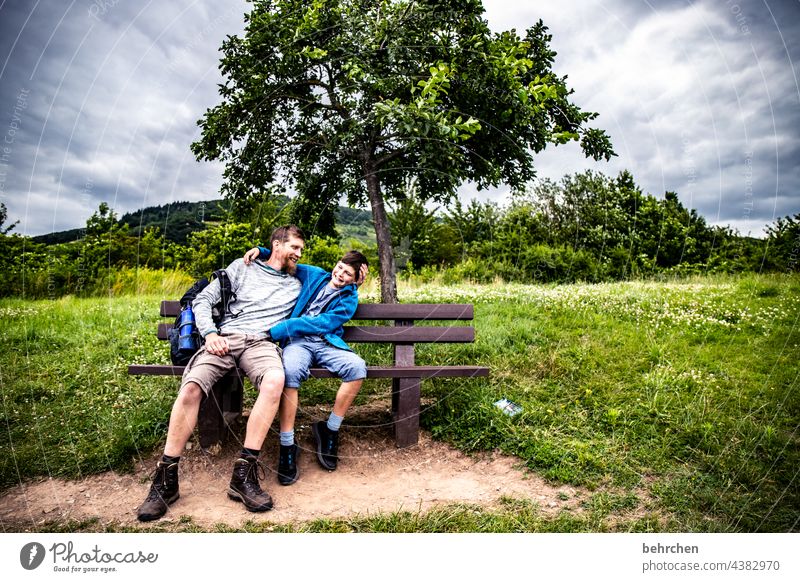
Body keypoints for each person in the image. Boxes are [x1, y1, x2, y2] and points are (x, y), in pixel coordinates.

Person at [136, 225, 307, 522]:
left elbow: (336, 277)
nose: (299, 254)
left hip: (261, 342)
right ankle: (166, 479)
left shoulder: (298, 281)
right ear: (277, 245)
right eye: (294, 247)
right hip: (224, 339)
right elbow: (202, 300)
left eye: (301, 250)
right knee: (191, 387)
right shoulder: (241, 267)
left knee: (275, 379)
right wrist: (211, 334)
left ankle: (243, 475)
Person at [243, 245, 369, 485]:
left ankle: (329, 429)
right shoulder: (315, 274)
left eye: (347, 275)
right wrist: (261, 250)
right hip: (298, 344)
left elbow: (322, 324)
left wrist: (283, 328)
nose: (340, 274)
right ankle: (288, 444)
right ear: (336, 264)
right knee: (289, 372)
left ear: (354, 280)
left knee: (357, 368)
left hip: (325, 343)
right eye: (340, 268)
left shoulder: (349, 298)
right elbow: (288, 262)